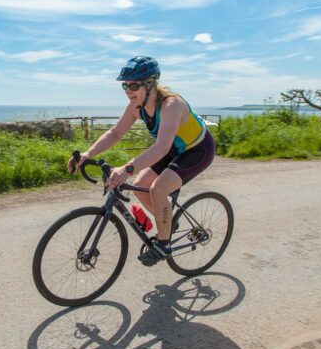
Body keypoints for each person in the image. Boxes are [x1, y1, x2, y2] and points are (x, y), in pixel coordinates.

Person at [67, 56, 215, 267]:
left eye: (133, 85)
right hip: (174, 148)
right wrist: (87, 154)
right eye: (125, 86)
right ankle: (168, 223)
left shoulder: (171, 105)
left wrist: (127, 168)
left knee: (158, 189)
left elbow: (162, 147)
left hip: (197, 149)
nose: (128, 91)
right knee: (140, 186)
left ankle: (164, 245)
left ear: (150, 83)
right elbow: (115, 132)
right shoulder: (136, 106)